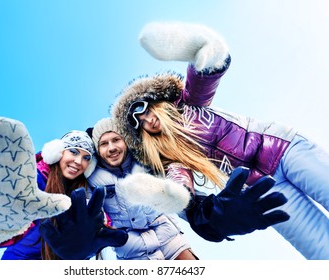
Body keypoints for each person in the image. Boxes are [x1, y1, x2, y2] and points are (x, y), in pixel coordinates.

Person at [111, 21, 329, 259]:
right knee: (320, 250)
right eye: (139, 123)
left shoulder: (187, 103)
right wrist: (173, 195)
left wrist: (203, 50)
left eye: (144, 110)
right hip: (262, 187)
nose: (147, 121)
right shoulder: (170, 156)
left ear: (155, 102)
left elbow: (206, 75)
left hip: (284, 150)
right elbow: (179, 180)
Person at [0, 116, 127, 260]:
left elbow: (98, 222)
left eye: (86, 157)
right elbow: (11, 233)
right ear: (58, 152)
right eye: (73, 152)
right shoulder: (32, 182)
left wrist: (90, 241)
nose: (78, 161)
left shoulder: (83, 192)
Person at [86, 117, 198, 260]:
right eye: (104, 143)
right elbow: (89, 208)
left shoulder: (145, 159)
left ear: (125, 140)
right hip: (132, 249)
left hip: (169, 238)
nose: (111, 148)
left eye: (116, 140)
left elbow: (176, 172)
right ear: (97, 149)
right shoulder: (92, 178)